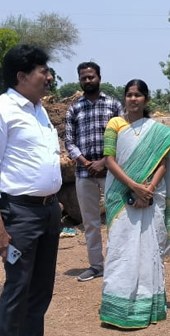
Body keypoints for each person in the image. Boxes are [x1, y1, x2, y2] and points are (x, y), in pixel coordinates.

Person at [0, 45, 76, 336]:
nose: (49, 77)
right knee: (17, 289)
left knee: (41, 287)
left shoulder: (39, 111)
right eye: (42, 72)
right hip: (19, 214)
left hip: (48, 212)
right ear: (21, 76)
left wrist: (56, 206)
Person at [98, 79, 170, 329]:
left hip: (150, 196)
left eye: (138, 95)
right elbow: (109, 161)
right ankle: (118, 307)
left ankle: (148, 306)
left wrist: (148, 189)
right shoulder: (115, 124)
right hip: (120, 196)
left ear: (146, 99)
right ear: (124, 98)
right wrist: (134, 187)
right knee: (120, 250)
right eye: (129, 95)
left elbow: (163, 163)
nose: (133, 99)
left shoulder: (155, 130)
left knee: (149, 250)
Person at [65, 62, 124, 282]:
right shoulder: (74, 108)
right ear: (80, 80)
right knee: (90, 222)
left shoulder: (113, 105)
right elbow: (69, 141)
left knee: (116, 219)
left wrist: (104, 162)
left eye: (91, 77)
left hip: (110, 172)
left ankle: (118, 264)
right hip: (83, 173)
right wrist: (86, 162)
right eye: (83, 78)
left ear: (99, 77)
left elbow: (122, 137)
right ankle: (96, 266)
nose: (87, 80)